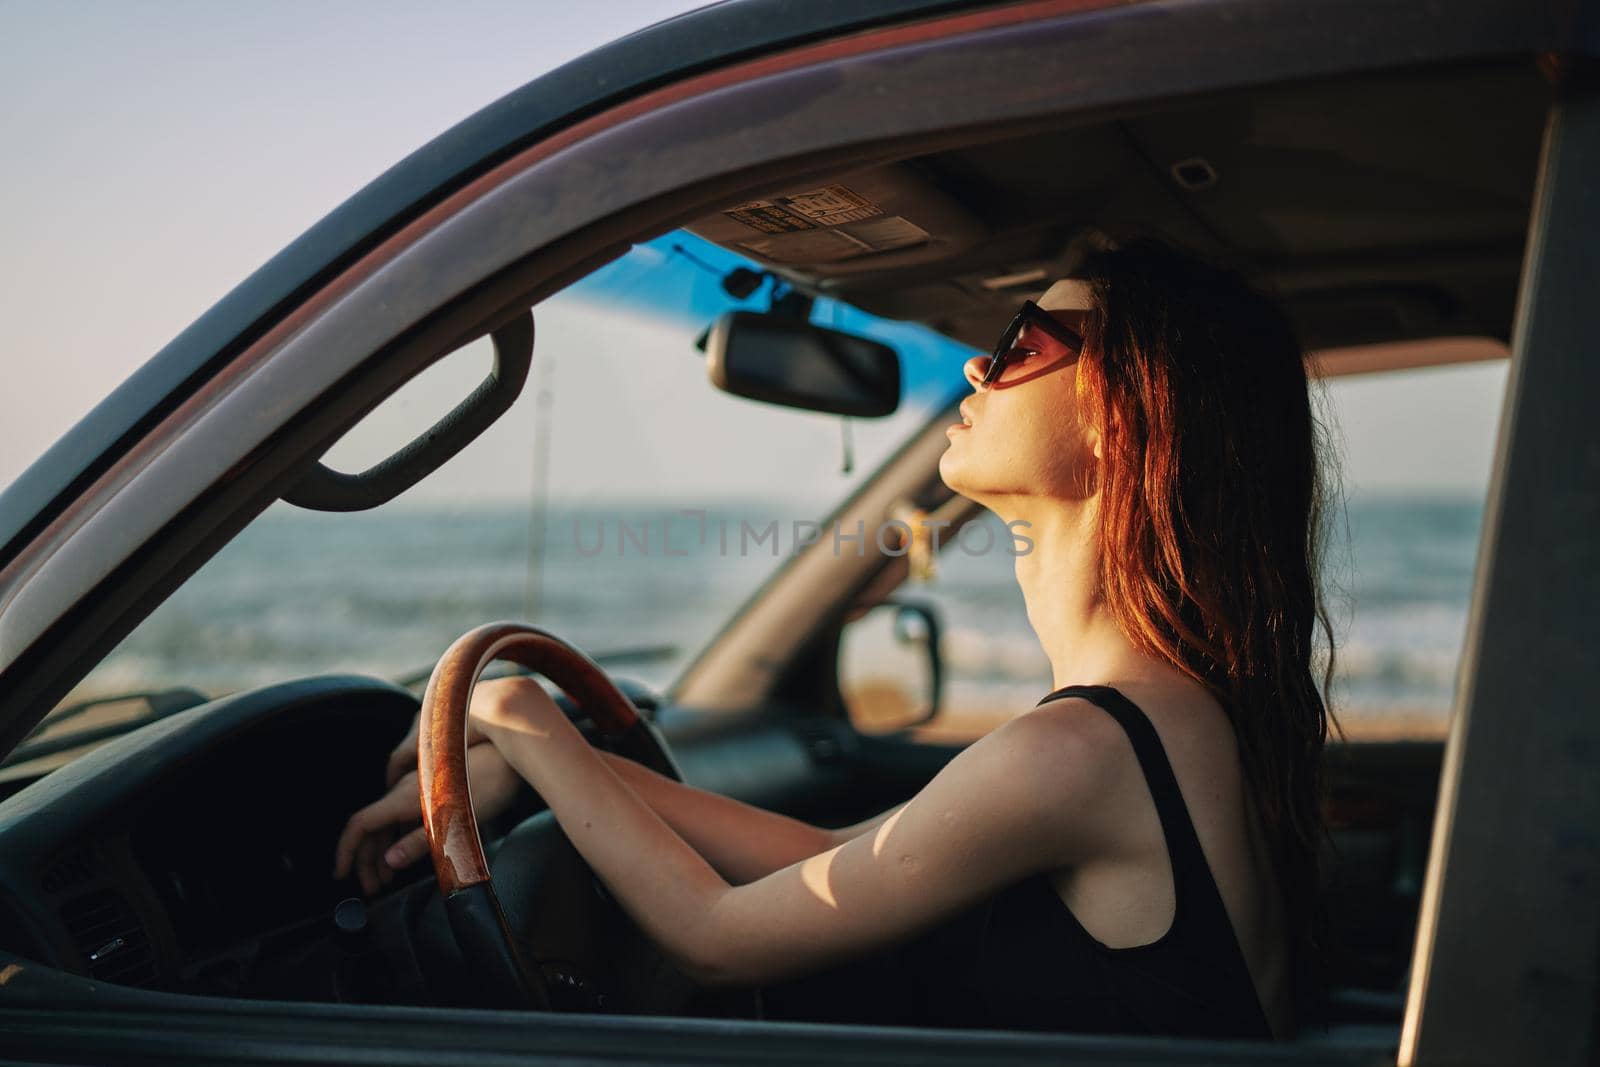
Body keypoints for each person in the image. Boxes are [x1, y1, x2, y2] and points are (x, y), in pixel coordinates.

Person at [334, 233, 1338, 1040]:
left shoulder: (1078, 750)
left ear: (1124, 417)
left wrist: (510, 705)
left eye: (1030, 341)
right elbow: (825, 856)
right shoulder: (1170, 715)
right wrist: (547, 760)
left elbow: (716, 939)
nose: (982, 363)